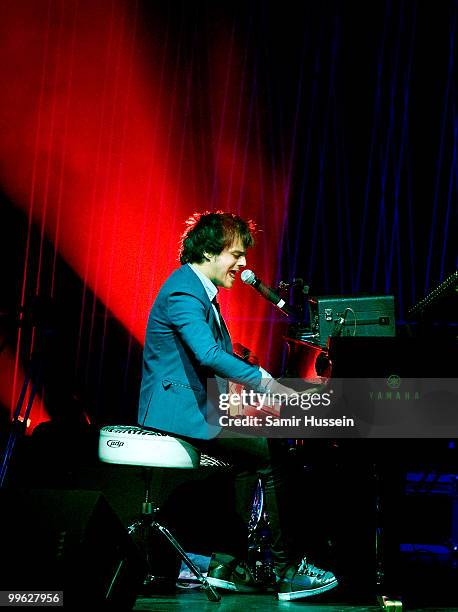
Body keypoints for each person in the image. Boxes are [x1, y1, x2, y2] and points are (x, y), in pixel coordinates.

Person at [138, 211, 338, 601]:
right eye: (236, 254)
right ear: (210, 252)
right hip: (177, 413)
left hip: (199, 407)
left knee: (259, 452)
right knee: (268, 452)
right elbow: (208, 354)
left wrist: (254, 401)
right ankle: (283, 572)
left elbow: (214, 362)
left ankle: (240, 563)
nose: (244, 264)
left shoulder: (198, 293)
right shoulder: (183, 291)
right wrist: (267, 384)